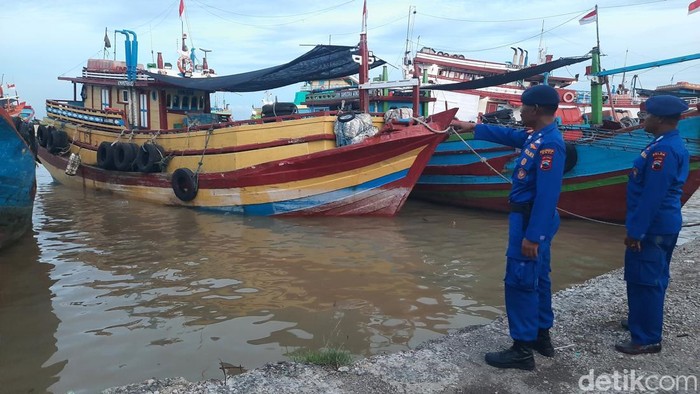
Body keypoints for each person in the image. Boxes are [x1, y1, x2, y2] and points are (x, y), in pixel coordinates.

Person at [451, 85, 566, 370]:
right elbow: (511, 135)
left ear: (536, 110)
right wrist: (472, 126)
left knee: (520, 280)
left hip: (530, 219)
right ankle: (541, 336)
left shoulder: (550, 144)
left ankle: (522, 349)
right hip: (532, 218)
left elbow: (547, 194)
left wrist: (533, 235)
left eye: (523, 108)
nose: (520, 112)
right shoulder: (538, 136)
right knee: (539, 276)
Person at [617, 95, 689, 355]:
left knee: (646, 279)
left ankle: (646, 337)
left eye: (646, 115)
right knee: (648, 276)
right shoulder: (665, 144)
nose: (643, 119)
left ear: (658, 119)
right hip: (662, 223)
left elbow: (652, 196)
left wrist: (636, 231)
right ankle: (641, 320)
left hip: (654, 226)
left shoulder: (663, 151)